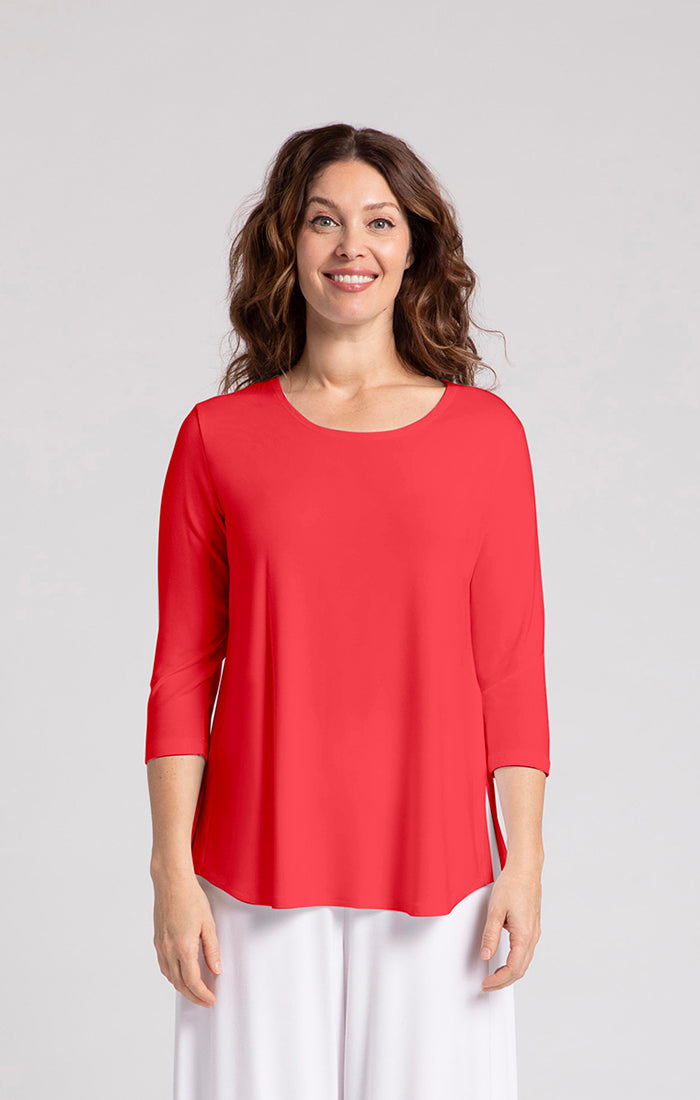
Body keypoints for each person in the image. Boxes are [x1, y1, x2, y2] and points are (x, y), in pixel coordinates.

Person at [145, 123, 551, 1100]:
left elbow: (510, 666)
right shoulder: (216, 438)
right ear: (288, 243)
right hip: (249, 868)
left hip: (440, 868)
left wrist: (526, 858)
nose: (350, 245)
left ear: (413, 247)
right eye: (323, 220)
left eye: (378, 221)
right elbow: (183, 669)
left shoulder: (486, 437)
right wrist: (170, 871)